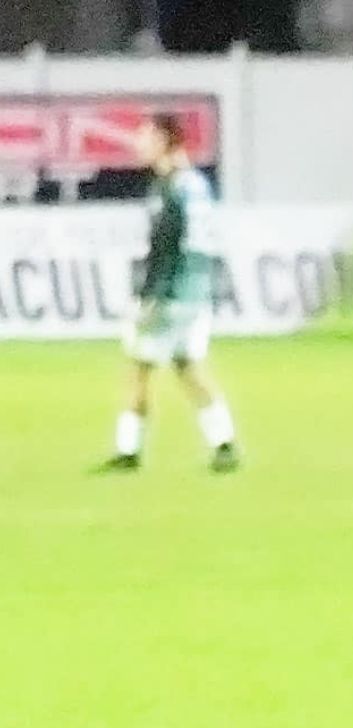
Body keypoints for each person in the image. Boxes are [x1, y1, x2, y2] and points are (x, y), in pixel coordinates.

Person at [101, 112, 239, 473]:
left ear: (164, 141)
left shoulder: (171, 187)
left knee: (138, 368)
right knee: (188, 366)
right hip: (196, 291)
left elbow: (165, 247)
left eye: (145, 138)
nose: (138, 145)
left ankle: (128, 451)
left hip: (172, 294)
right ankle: (224, 443)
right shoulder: (197, 184)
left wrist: (150, 297)